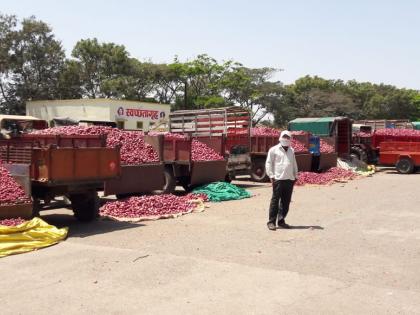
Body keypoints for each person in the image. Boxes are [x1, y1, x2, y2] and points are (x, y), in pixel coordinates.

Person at [265, 130, 298, 230]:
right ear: (280, 138)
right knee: (275, 200)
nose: (286, 139)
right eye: (284, 137)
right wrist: (271, 176)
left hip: (289, 179)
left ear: (290, 139)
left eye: (288, 137)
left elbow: (293, 163)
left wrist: (295, 175)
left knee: (286, 201)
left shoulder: (291, 150)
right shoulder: (274, 150)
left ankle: (281, 221)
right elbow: (268, 163)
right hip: (278, 179)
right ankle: (271, 222)